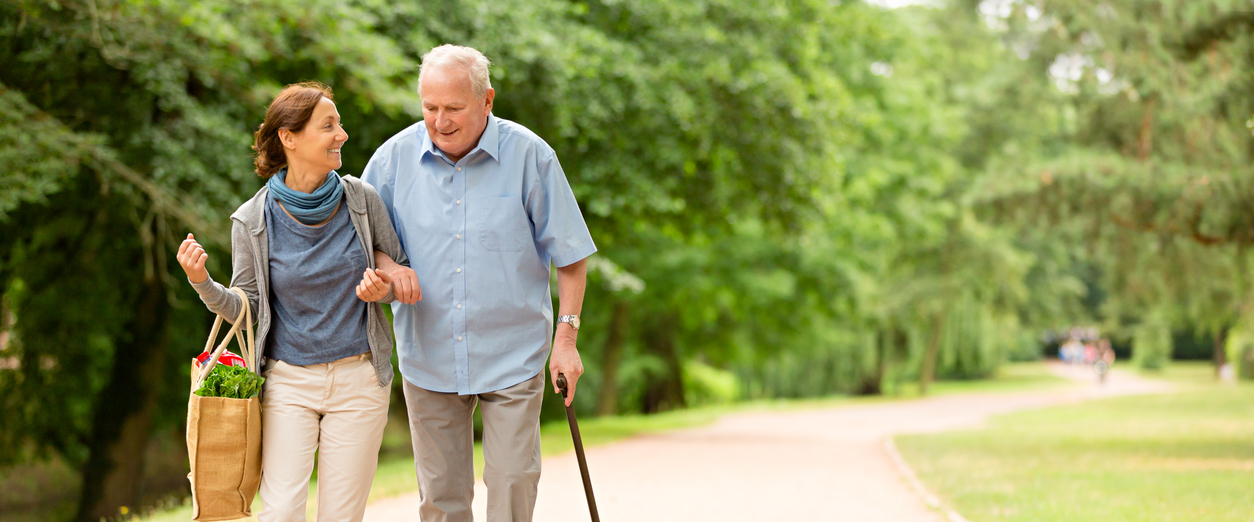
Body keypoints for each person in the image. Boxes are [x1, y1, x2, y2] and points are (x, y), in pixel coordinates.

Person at [363, 44, 596, 522]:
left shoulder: (531, 156)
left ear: (487, 101)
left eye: (454, 108)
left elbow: (571, 255)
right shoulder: (391, 162)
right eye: (430, 108)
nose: (440, 121)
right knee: (442, 501)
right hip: (427, 356)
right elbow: (362, 243)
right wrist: (389, 268)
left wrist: (567, 340)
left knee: (512, 484)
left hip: (514, 354)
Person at [175, 82, 416, 522]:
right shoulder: (252, 220)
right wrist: (201, 281)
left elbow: (397, 271)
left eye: (339, 124)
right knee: (281, 511)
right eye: (329, 126)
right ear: (289, 137)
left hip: (360, 379)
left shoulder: (362, 201)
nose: (342, 135)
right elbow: (244, 308)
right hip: (288, 383)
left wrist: (384, 287)